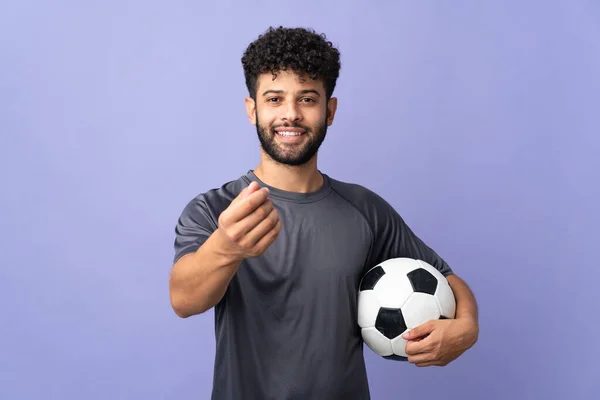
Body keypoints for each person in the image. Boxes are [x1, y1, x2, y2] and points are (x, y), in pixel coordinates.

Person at [169, 26, 479, 400]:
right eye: (274, 99)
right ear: (252, 110)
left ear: (329, 111)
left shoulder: (364, 210)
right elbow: (184, 300)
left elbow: (445, 277)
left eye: (307, 99)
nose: (291, 115)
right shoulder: (217, 209)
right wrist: (227, 248)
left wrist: (468, 327)